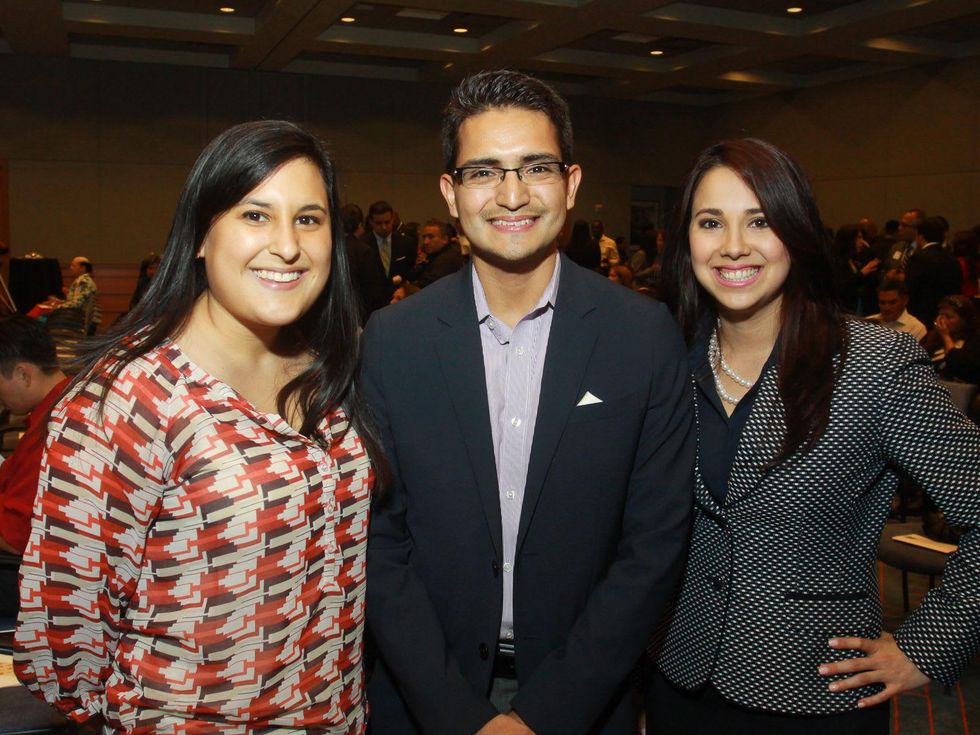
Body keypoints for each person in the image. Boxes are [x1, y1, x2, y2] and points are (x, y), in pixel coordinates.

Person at [15, 120, 384, 733]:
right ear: (200, 235)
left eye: (310, 219)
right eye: (255, 215)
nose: (288, 245)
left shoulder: (331, 374)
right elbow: (63, 639)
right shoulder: (128, 397)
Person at [363, 69, 694, 735]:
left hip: (584, 697)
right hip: (428, 695)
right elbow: (379, 542)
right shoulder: (392, 339)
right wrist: (458, 715)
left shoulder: (642, 335)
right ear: (450, 195)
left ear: (570, 184)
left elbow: (654, 544)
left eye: (535, 167)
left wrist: (547, 714)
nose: (512, 195)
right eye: (484, 172)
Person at [649, 137, 980, 734]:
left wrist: (926, 649)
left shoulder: (874, 364)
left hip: (817, 696)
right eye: (710, 222)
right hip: (679, 680)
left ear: (796, 234)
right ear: (686, 241)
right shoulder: (666, 360)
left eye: (760, 221)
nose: (733, 246)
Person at [0, 316, 68, 615]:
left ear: (23, 374)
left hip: (23, 580)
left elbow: (14, 538)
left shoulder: (55, 429)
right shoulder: (62, 404)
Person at [921, 294, 980, 385]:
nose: (942, 321)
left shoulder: (974, 340)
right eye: (940, 315)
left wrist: (945, 336)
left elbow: (962, 367)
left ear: (964, 320)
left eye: (948, 317)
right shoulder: (931, 336)